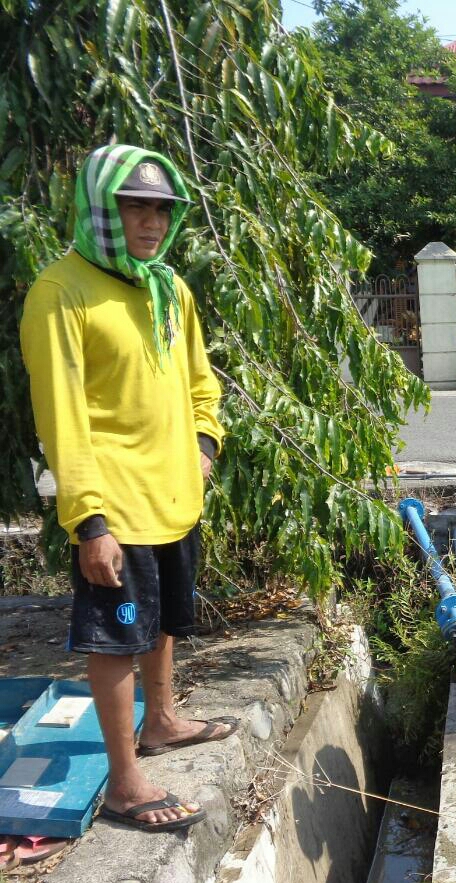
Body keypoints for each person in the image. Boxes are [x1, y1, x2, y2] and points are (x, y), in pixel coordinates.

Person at [20, 145, 235, 833]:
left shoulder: (168, 287)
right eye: (134, 206)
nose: (150, 222)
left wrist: (204, 445)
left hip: (174, 497)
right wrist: (89, 521)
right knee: (115, 637)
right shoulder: (61, 292)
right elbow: (62, 417)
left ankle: (162, 719)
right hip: (114, 505)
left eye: (161, 209)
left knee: (162, 618)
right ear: (99, 210)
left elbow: (201, 382)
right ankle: (123, 780)